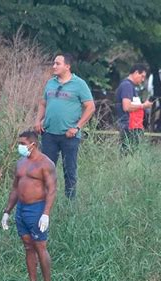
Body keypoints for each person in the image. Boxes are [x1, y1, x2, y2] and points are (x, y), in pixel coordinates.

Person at [1, 131, 57, 281]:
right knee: (27, 245)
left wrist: (45, 213)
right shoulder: (20, 163)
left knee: (40, 246)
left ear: (33, 144)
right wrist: (7, 211)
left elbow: (52, 189)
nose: (21, 146)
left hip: (37, 208)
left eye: (23, 143)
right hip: (22, 209)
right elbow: (15, 189)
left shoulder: (45, 164)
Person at [34, 54, 95, 199]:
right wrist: (37, 121)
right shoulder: (50, 83)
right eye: (54, 63)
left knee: (69, 171)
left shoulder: (79, 84)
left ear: (67, 66)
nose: (54, 66)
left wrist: (77, 127)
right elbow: (43, 103)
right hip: (49, 134)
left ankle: (69, 204)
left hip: (69, 135)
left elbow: (90, 107)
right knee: (45, 170)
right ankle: (43, 201)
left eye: (57, 63)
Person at [115, 64, 153, 153]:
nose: (143, 80)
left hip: (132, 125)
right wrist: (143, 106)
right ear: (136, 72)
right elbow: (126, 106)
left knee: (131, 151)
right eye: (142, 76)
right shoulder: (127, 85)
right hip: (128, 125)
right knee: (128, 152)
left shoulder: (130, 86)